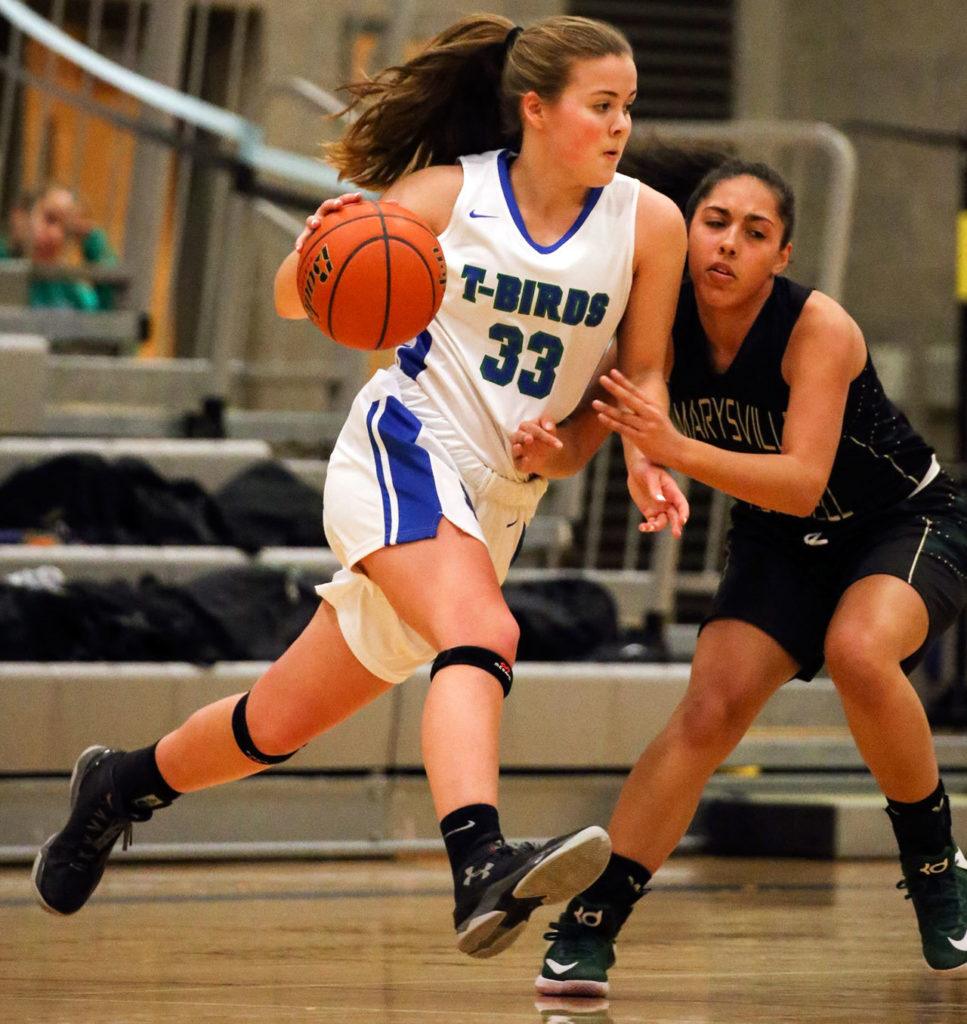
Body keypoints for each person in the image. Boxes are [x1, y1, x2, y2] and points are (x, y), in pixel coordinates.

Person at [31, 14, 690, 960]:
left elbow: (644, 374)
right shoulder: (446, 193)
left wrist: (609, 445)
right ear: (536, 110)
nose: (621, 125)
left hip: (498, 497)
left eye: (628, 106)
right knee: (485, 632)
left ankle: (120, 786)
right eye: (602, 106)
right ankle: (479, 862)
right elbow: (292, 295)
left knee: (277, 722)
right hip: (403, 447)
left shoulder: (648, 222)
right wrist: (323, 248)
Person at [518, 157, 967, 993]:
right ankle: (595, 917)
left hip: (903, 520)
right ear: (688, 233)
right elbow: (602, 417)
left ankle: (937, 865)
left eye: (753, 233)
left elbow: (801, 480)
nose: (727, 243)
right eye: (714, 222)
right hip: (776, 537)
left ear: (781, 256)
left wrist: (672, 450)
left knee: (859, 654)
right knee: (706, 710)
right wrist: (557, 452)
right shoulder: (658, 316)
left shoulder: (815, 328)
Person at [0, 184, 117, 310]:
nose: (57, 236)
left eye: (68, 229)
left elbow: (111, 314)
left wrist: (94, 243)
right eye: (50, 219)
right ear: (19, 216)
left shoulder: (70, 291)